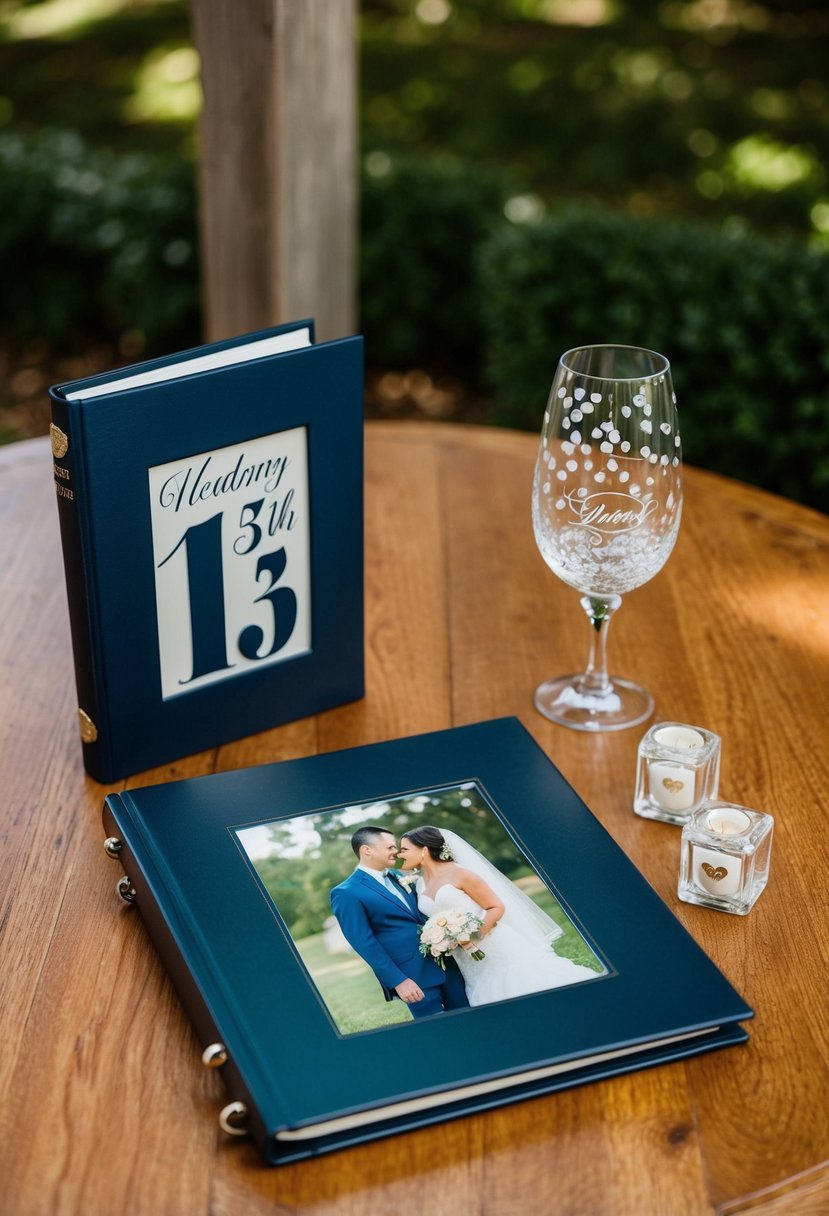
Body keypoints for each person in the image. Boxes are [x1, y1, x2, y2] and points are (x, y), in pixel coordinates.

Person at [397, 825, 600, 1006]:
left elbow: (495, 907)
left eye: (404, 849)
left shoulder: (461, 874)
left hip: (495, 946)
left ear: (424, 850)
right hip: (465, 959)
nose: (399, 854)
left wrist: (474, 936)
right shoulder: (419, 883)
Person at [330, 826, 469, 1018]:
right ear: (367, 850)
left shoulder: (398, 876)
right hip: (412, 977)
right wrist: (398, 981)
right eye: (389, 847)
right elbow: (364, 943)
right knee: (437, 1032)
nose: (396, 851)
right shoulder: (346, 893)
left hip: (447, 965)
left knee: (469, 1017)